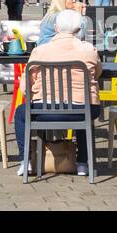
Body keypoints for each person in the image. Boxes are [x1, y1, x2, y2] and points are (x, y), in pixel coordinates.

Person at [13, 9, 101, 177]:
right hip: (81, 111)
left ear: (55, 28)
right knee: (84, 106)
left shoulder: (40, 51)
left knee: (20, 113)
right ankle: (83, 163)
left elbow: (25, 87)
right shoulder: (89, 50)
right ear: (79, 29)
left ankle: (26, 162)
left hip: (44, 111)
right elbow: (97, 72)